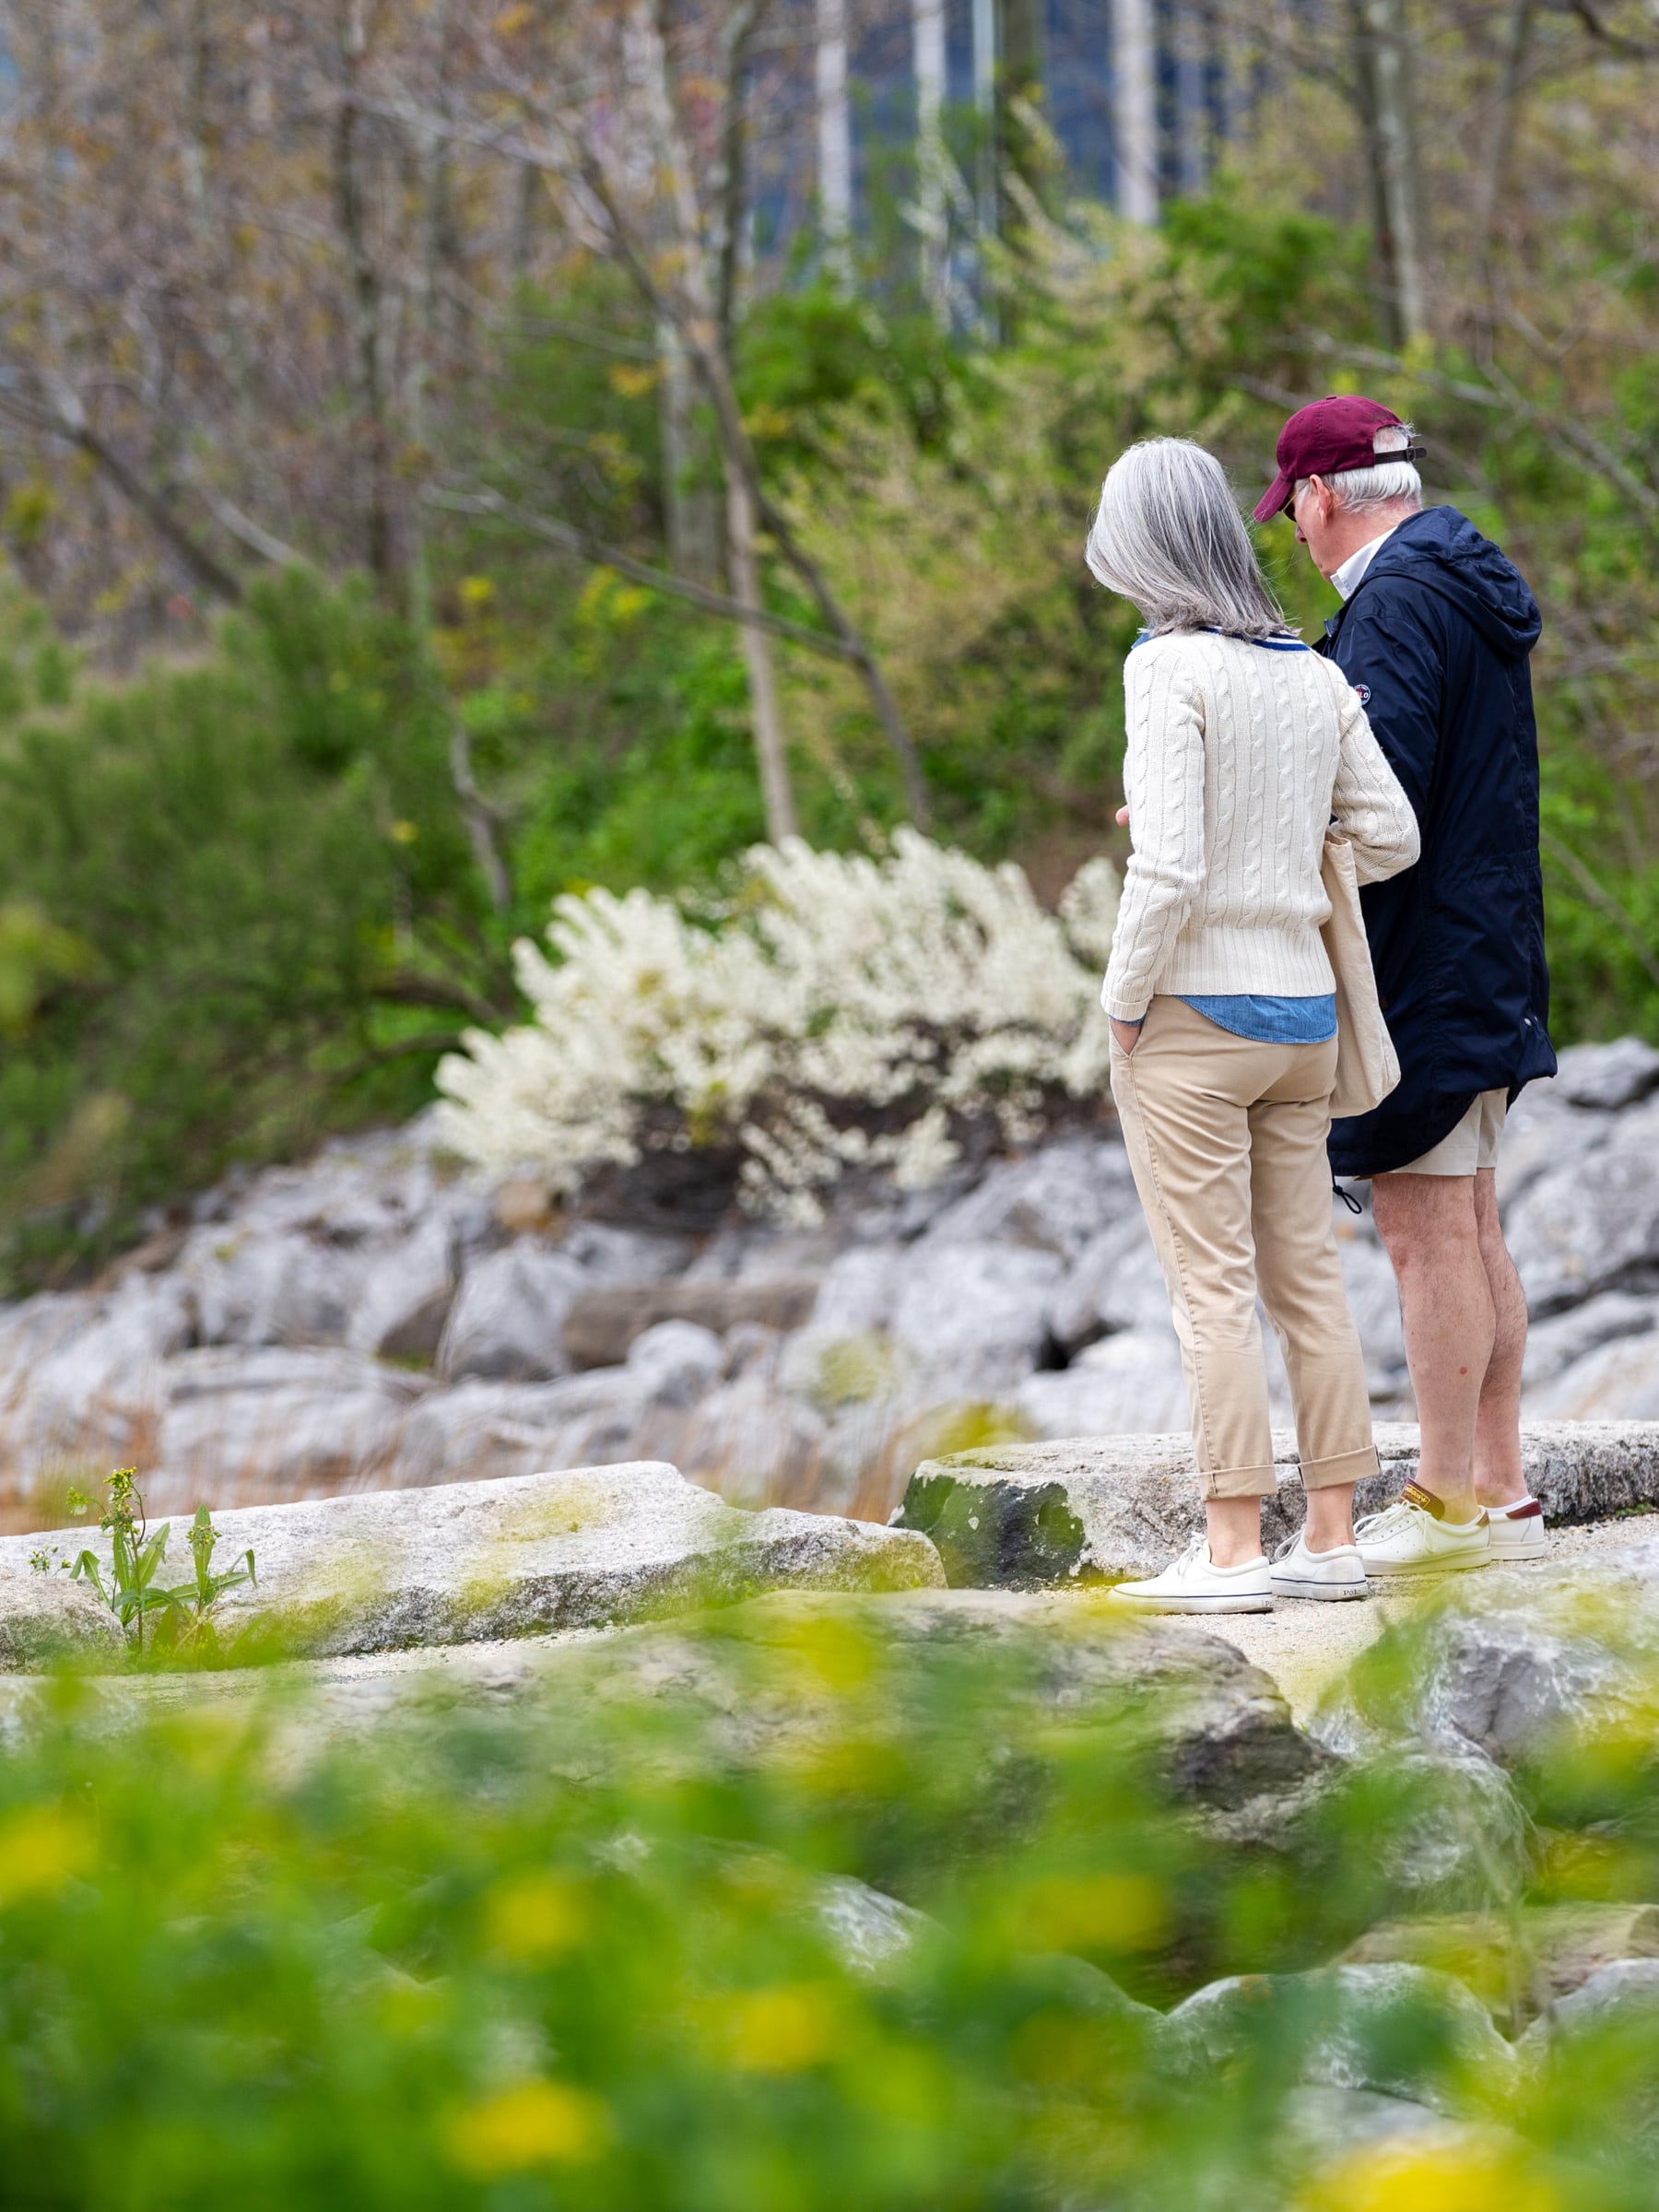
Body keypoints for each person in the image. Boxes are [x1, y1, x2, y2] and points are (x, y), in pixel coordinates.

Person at [1086, 438, 1420, 1615]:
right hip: (1304, 1018)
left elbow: (1167, 866)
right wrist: (1289, 850)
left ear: (1136, 544)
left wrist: (1122, 1003)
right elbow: (1390, 837)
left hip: (1196, 1017)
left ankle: (1230, 1550)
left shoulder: (1163, 668)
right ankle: (1331, 1536)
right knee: (1309, 1283)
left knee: (1210, 1288)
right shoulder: (1308, 670)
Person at [1254, 396, 1558, 1577]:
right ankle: (1500, 1485)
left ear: (1326, 496)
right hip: (1492, 946)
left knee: (1426, 1234)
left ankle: (1444, 1502)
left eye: (1296, 511)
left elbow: (1378, 802)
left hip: (1424, 961)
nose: (1294, 535)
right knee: (1472, 1222)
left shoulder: (1391, 607)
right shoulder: (1467, 584)